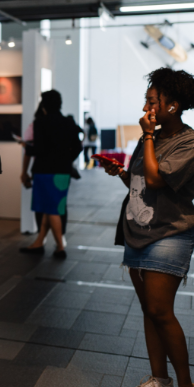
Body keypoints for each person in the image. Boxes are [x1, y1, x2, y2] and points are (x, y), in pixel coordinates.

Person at [101, 67, 194, 387]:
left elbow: (157, 178)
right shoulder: (147, 138)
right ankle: (160, 378)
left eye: (152, 102)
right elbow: (141, 183)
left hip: (169, 233)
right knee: (149, 311)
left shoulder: (189, 142)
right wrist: (121, 173)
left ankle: (186, 383)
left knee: (160, 310)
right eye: (146, 101)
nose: (145, 109)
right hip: (137, 232)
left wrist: (150, 136)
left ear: (173, 105)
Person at [19, 90, 81, 259]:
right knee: (50, 207)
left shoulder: (41, 122)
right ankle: (39, 242)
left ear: (44, 104)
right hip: (63, 172)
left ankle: (60, 247)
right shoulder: (68, 122)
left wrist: (25, 145)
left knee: (51, 208)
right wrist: (66, 159)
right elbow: (78, 147)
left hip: (45, 171)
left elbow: (38, 149)